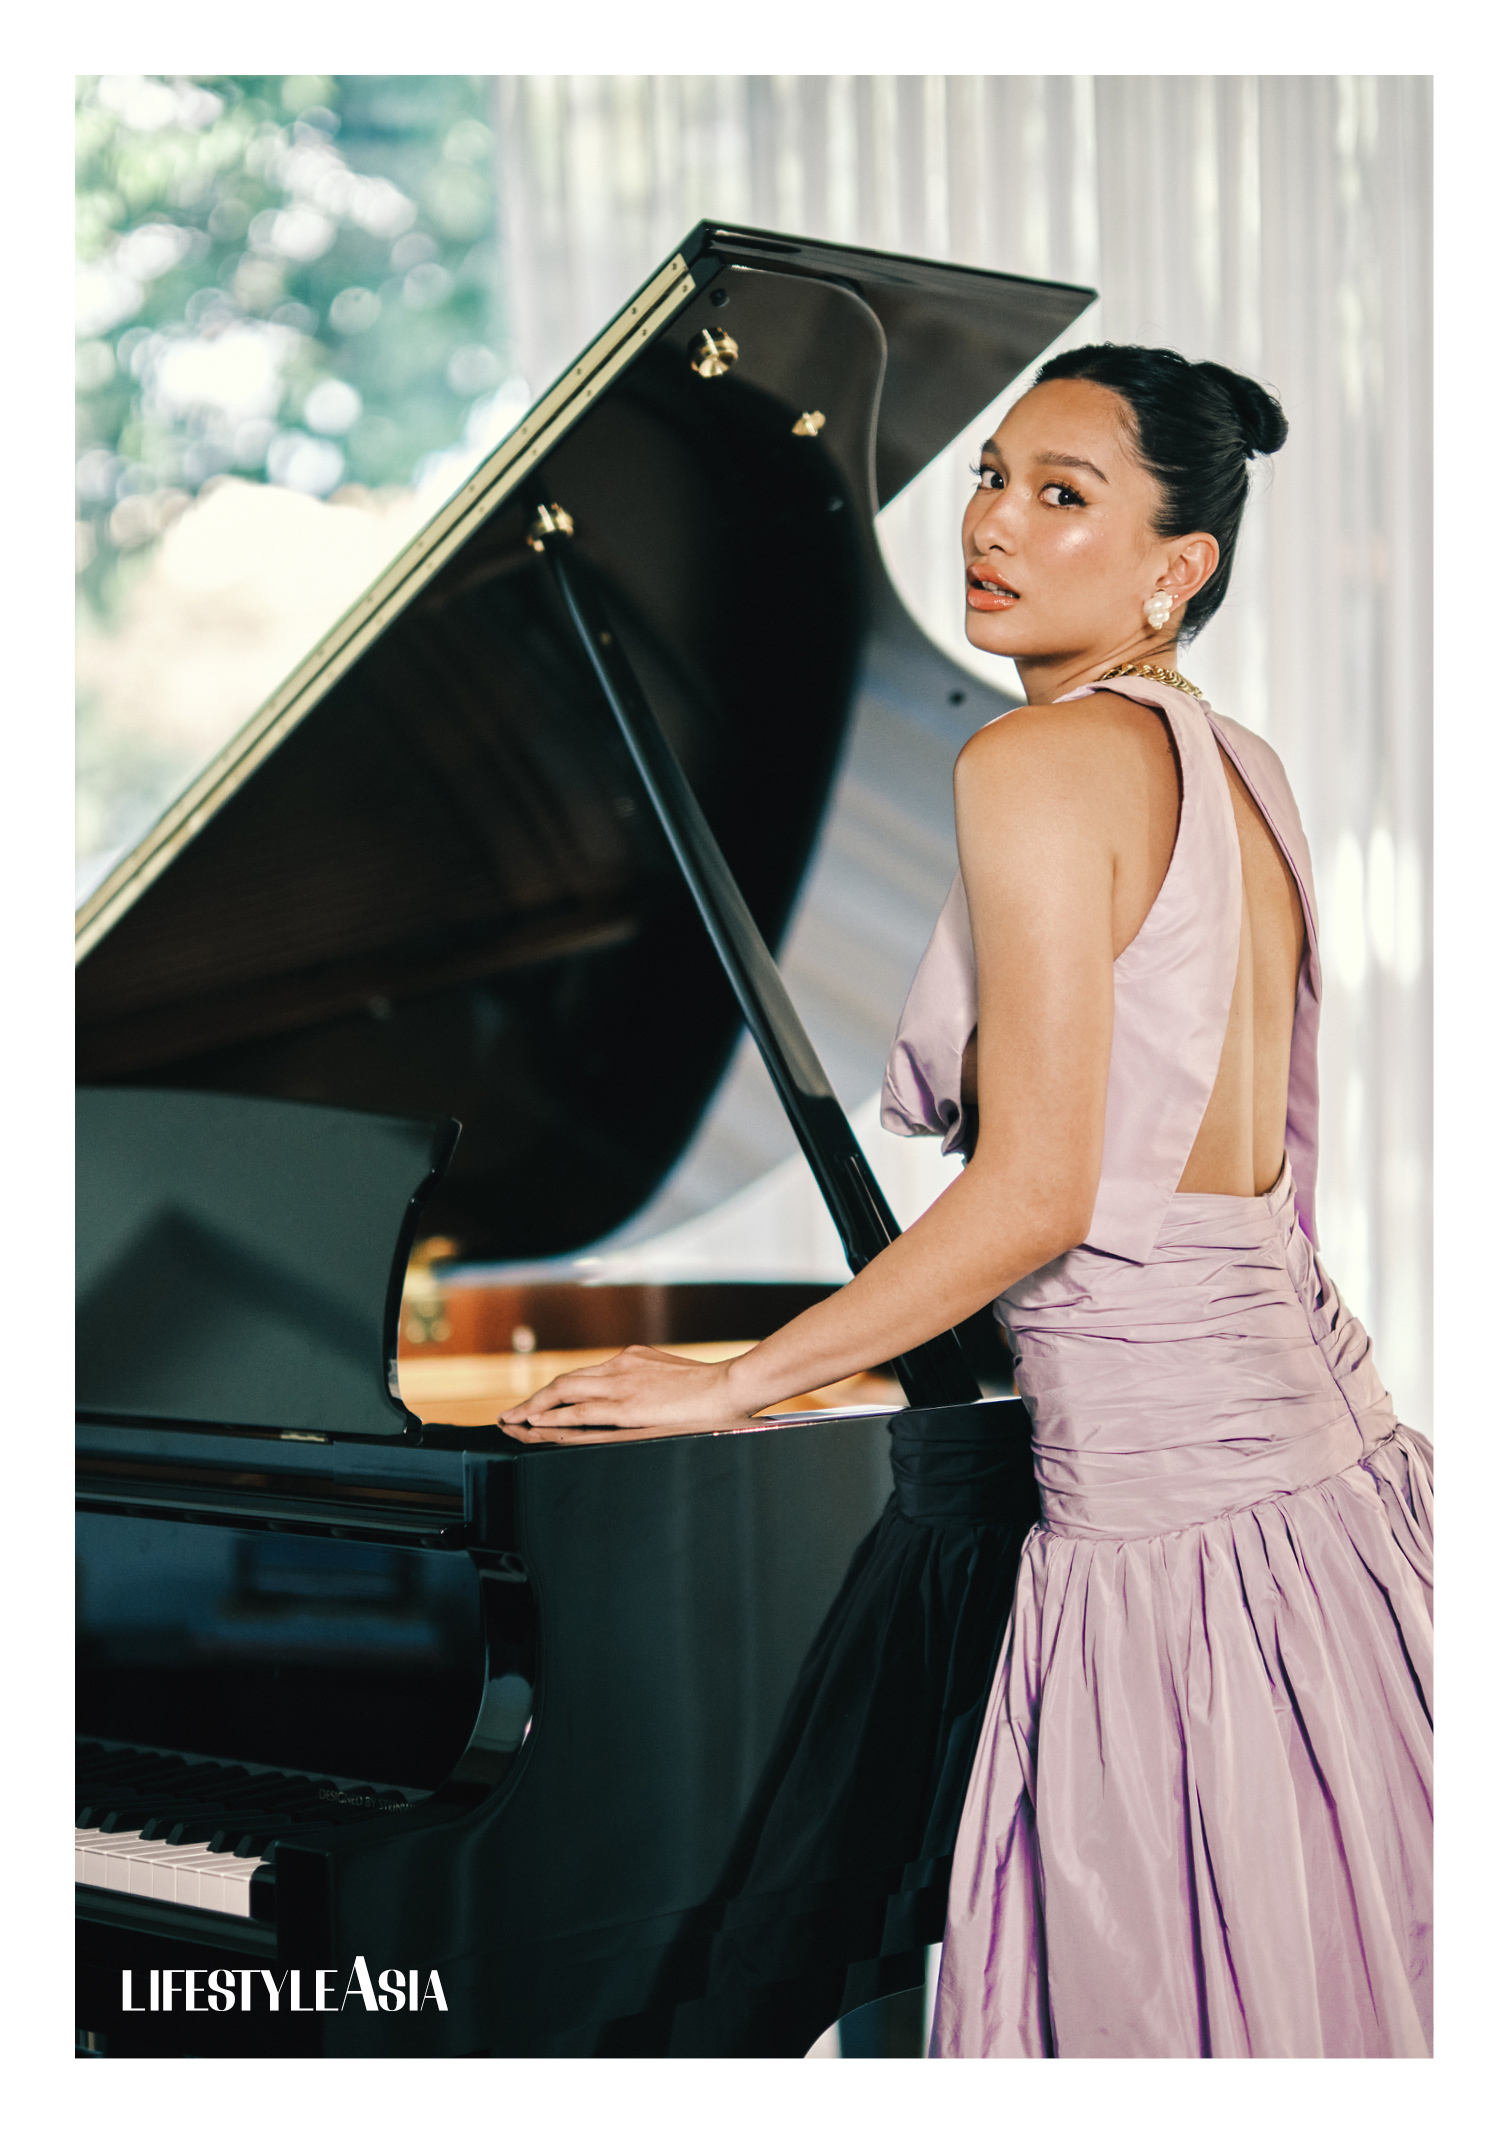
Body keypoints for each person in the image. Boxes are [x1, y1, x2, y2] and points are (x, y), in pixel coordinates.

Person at [502, 343, 1433, 2059]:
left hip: (1160, 1533)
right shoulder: (1246, 767)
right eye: (994, 475)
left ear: (1179, 569)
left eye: (1063, 497)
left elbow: (1040, 1191)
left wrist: (729, 1380)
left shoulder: (1036, 765)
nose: (994, 522)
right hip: (1338, 1490)